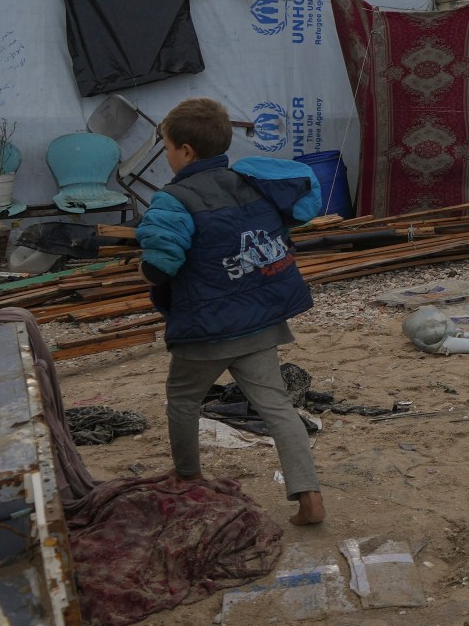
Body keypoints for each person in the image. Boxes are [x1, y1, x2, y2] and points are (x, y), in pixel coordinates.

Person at [136, 97, 327, 524]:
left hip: (205, 329)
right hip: (260, 320)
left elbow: (159, 267)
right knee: (276, 406)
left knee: (183, 399)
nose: (166, 156)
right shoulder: (253, 185)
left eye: (167, 147)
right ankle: (309, 496)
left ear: (185, 151)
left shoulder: (174, 199)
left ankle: (187, 478)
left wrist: (143, 265)